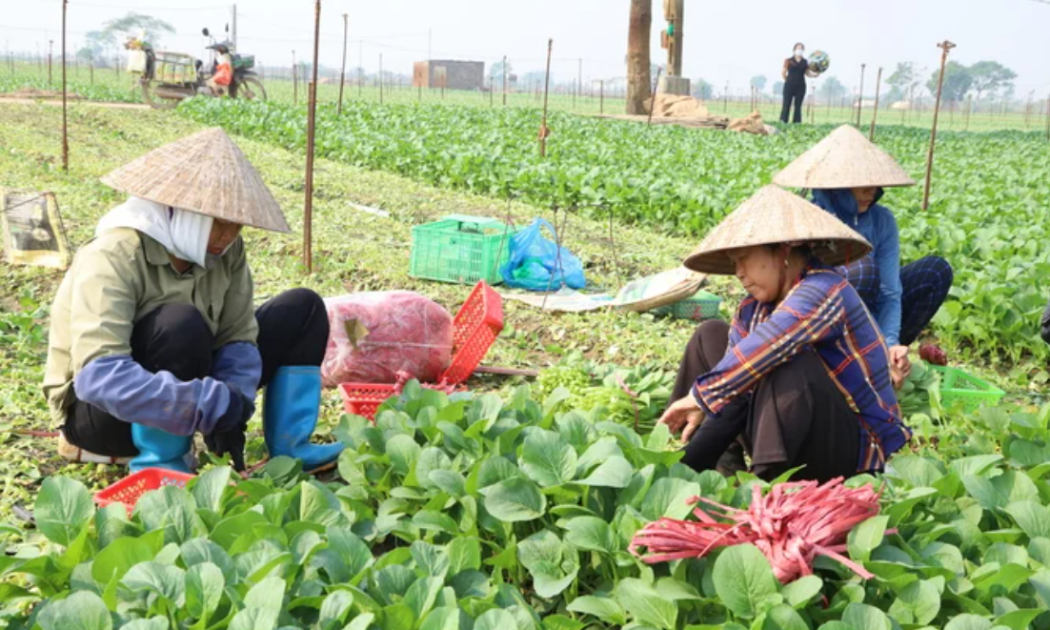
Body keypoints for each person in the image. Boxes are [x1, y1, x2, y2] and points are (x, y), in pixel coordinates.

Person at [43, 128, 344, 473]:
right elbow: (100, 379)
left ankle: (291, 450)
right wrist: (208, 403)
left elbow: (238, 339)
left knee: (302, 309)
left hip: (189, 381)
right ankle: (166, 463)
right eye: (217, 224)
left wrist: (234, 401)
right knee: (178, 323)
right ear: (180, 210)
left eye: (237, 227)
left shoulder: (225, 251)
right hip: (102, 415)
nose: (227, 237)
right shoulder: (114, 254)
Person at [661, 185, 911, 482]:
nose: (738, 272)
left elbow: (773, 343)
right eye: (733, 262)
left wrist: (700, 397)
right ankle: (717, 469)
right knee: (710, 335)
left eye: (744, 258)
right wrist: (681, 470)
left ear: (783, 251)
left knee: (787, 363)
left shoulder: (824, 288)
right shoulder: (752, 310)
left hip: (851, 451)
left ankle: (767, 488)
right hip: (789, 434)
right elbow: (735, 389)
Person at [773, 125, 954, 387]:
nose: (872, 191)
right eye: (863, 184)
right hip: (821, 318)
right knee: (860, 266)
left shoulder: (882, 220)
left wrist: (888, 343)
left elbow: (890, 291)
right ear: (838, 183)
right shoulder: (811, 216)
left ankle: (884, 359)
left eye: (875, 183)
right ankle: (838, 362)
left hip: (870, 310)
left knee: (934, 272)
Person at [780, 43, 819, 124]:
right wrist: (787, 80)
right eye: (798, 48)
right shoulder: (788, 60)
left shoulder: (805, 62)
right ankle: (783, 122)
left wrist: (815, 74)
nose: (799, 50)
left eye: (801, 48)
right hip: (789, 85)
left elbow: (807, 73)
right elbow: (783, 72)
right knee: (786, 104)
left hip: (800, 86)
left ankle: (796, 123)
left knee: (798, 106)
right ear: (794, 50)